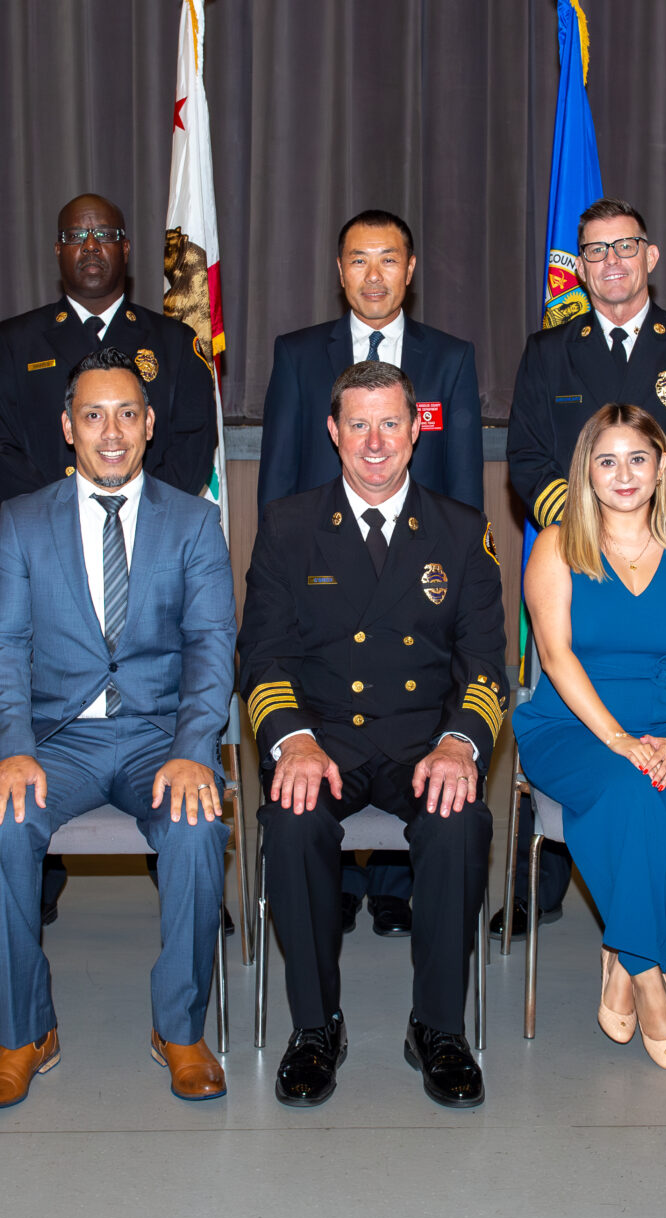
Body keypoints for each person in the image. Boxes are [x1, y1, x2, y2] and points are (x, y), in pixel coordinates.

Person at [0, 348, 236, 1109]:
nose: (110, 432)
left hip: (159, 733)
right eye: (92, 415)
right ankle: (24, 1032)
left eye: (126, 414)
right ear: (67, 428)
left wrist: (193, 751)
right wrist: (12, 749)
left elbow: (212, 644)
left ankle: (179, 1029)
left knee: (194, 825)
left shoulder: (194, 522)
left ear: (150, 425)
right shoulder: (21, 523)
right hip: (58, 738)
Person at [240, 360, 507, 1110]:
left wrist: (461, 743)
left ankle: (438, 1028)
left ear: (418, 429)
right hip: (323, 741)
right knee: (290, 822)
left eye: (391, 422)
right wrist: (290, 739)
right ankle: (316, 1026)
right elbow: (261, 656)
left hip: (426, 744)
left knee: (458, 822)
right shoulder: (290, 527)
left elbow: (487, 663)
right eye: (358, 424)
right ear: (333, 432)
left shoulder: (461, 532)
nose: (376, 441)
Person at [0, 192, 221, 926]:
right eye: (74, 235)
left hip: (154, 563)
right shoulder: (14, 341)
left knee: (187, 823)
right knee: (16, 817)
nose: (89, 245)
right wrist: (64, 524)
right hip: (51, 571)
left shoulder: (174, 344)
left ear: (126, 248)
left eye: (104, 233)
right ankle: (32, 886)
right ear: (56, 250)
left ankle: (185, 880)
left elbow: (190, 447)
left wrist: (140, 527)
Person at [500, 196, 666, 938]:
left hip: (663, 553)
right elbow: (530, 459)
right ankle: (543, 885)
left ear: (650, 256)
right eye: (595, 252)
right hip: (577, 557)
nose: (611, 263)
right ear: (581, 265)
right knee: (571, 691)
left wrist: (651, 534)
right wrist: (588, 533)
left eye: (624, 247)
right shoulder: (548, 351)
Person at [259, 209, 486, 938]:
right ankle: (331, 891)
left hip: (413, 568)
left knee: (408, 693)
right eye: (359, 259)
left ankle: (393, 886)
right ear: (340, 271)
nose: (375, 274)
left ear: (411, 270)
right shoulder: (298, 355)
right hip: (324, 570)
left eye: (389, 259)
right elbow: (279, 479)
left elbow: (458, 489)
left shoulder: (448, 358)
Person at [511, 406, 666, 1068]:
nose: (624, 474)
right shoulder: (556, 546)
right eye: (606, 461)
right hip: (575, 725)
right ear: (587, 473)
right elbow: (555, 657)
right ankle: (649, 975)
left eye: (638, 458)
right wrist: (615, 739)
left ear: (663, 467)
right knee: (630, 799)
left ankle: (621, 951)